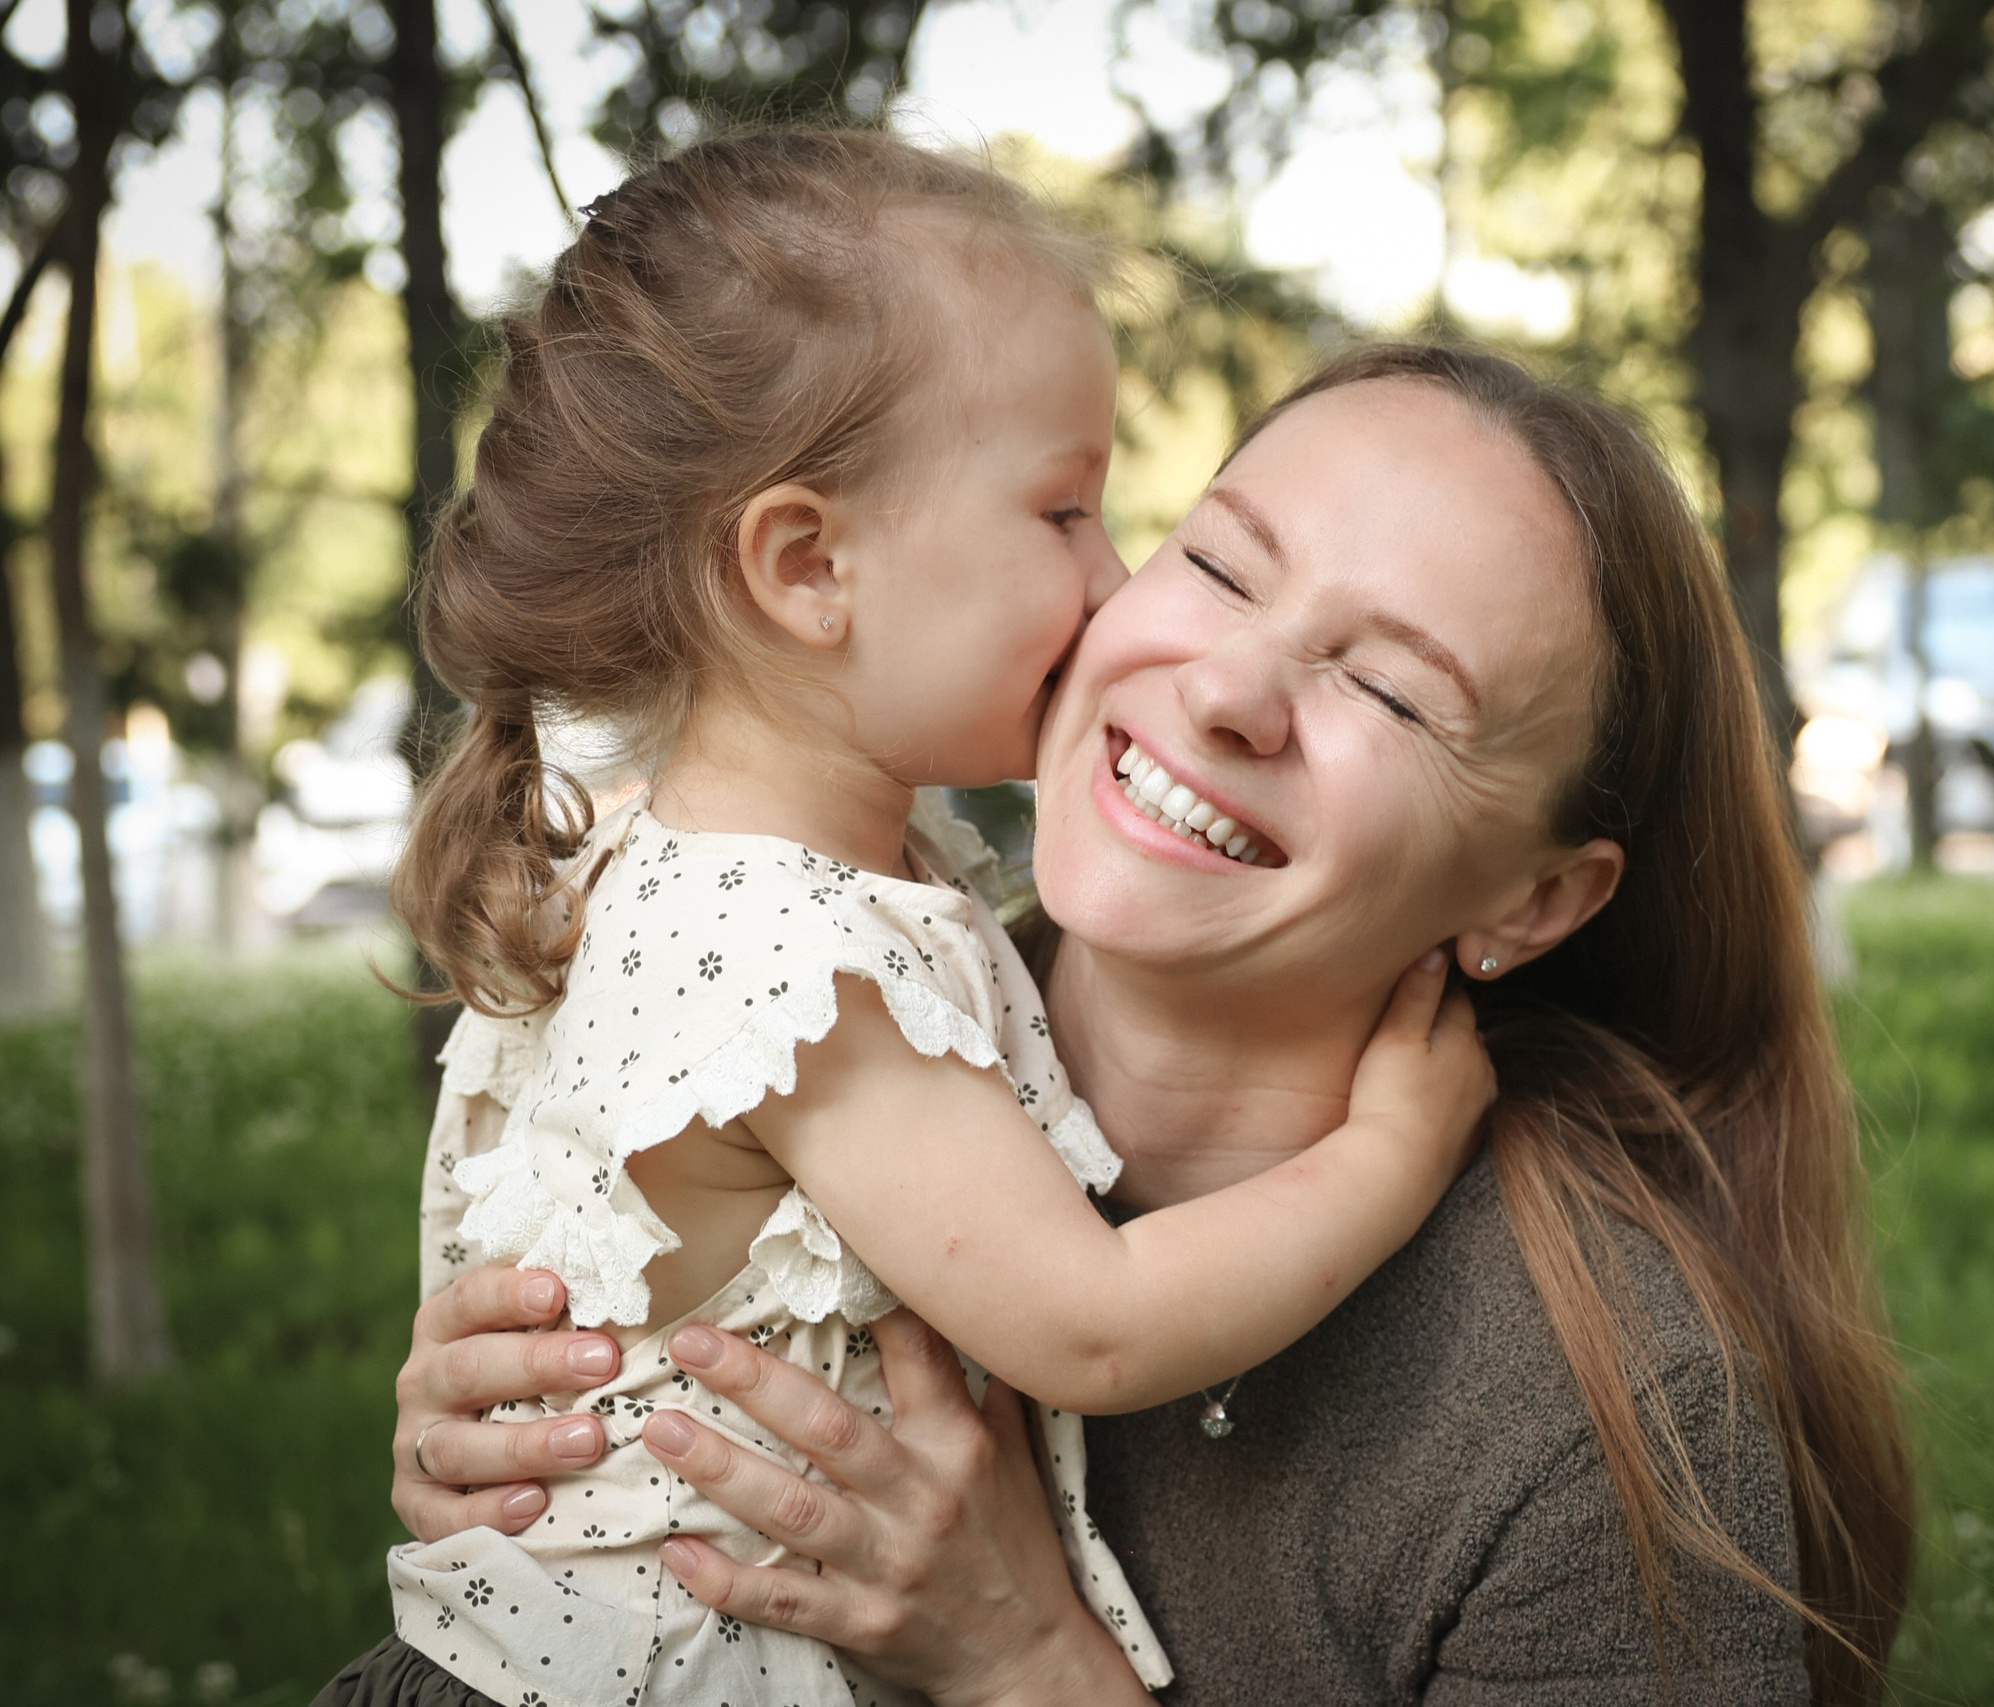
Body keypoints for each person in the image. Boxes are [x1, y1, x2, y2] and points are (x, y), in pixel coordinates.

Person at [388, 343, 1917, 1703]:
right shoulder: (824, 1007)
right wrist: (546, 1452)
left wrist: (1031, 1675)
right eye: (1226, 569)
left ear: (1533, 901)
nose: (1233, 687)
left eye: (1389, 691)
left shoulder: (1597, 1428)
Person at [324, 133, 1493, 1707]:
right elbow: (1090, 1330)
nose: (1115, 577)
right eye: (1064, 511)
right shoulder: (796, 972)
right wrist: (1392, 1155)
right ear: (810, 565)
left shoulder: (697, 865)